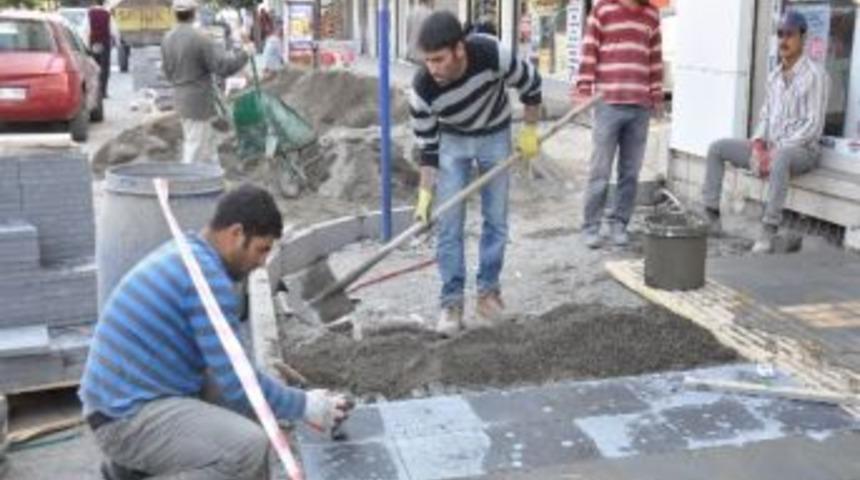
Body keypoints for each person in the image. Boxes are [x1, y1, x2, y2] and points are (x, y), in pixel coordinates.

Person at [79, 184, 350, 480]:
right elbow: (241, 382)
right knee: (247, 447)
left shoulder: (191, 255)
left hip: (122, 401)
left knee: (244, 411)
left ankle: (126, 472)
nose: (261, 263)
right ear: (236, 233)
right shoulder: (207, 279)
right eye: (261, 249)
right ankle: (131, 463)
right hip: (124, 418)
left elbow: (234, 376)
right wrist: (307, 406)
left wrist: (292, 402)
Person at [410, 11, 542, 336]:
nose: (433, 68)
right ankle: (451, 302)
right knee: (449, 223)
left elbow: (532, 85)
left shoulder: (491, 53)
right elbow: (428, 148)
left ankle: (488, 294)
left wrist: (529, 130)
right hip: (452, 143)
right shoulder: (423, 88)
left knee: (496, 219)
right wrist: (425, 195)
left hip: (495, 134)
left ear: (459, 49)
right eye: (428, 60)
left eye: (439, 59)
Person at [701, 11, 828, 253]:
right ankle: (711, 216)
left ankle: (768, 230)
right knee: (717, 148)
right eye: (780, 34)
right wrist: (758, 144)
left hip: (803, 151)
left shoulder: (816, 75)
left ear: (803, 37)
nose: (784, 40)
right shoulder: (774, 76)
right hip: (772, 147)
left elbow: (813, 126)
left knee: (781, 157)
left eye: (790, 34)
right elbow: (766, 116)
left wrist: (776, 150)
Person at [573, 0, 664, 249]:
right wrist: (583, 89)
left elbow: (655, 59)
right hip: (608, 103)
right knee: (600, 171)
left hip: (640, 105)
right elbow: (589, 51)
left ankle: (619, 224)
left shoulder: (651, 14)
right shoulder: (603, 9)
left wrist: (656, 95)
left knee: (630, 172)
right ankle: (591, 225)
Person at [161, 0, 251, 164]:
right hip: (199, 102)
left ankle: (213, 181)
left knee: (207, 145)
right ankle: (188, 185)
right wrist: (245, 54)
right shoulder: (200, 38)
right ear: (195, 13)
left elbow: (167, 72)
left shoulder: (167, 38)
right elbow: (222, 67)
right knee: (195, 148)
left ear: (175, 14)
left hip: (181, 98)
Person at [86, 0, 118, 98]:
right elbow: (113, 30)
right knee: (104, 68)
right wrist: (116, 42)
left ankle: (95, 92)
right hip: (104, 43)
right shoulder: (107, 14)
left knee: (94, 67)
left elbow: (86, 30)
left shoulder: (89, 13)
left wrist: (87, 45)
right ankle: (103, 91)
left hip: (94, 42)